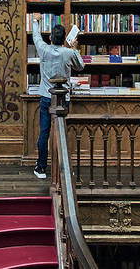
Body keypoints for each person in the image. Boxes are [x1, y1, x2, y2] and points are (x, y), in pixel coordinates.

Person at [31, 13, 84, 179]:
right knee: (61, 133)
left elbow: (35, 36)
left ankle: (41, 168)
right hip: (62, 100)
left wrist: (35, 21)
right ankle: (63, 168)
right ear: (64, 39)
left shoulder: (44, 49)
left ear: (50, 37)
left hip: (46, 98)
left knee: (44, 133)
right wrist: (74, 49)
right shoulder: (68, 53)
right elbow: (80, 66)